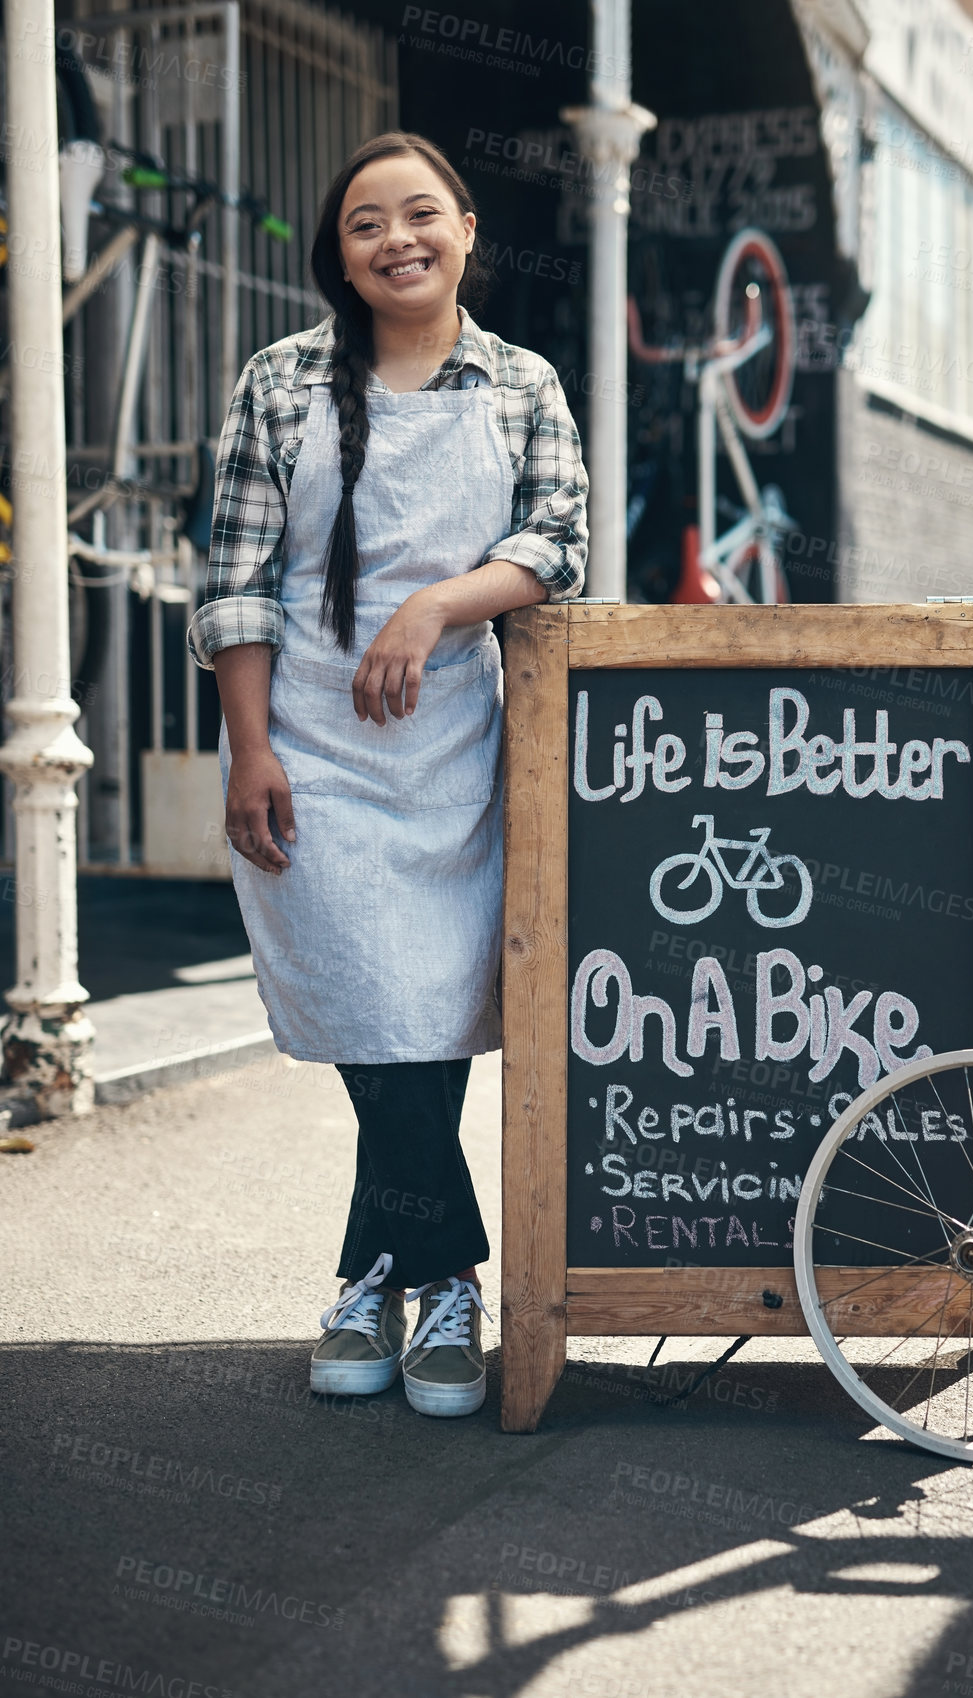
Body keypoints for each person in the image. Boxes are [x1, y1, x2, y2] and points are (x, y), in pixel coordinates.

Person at [187, 132, 588, 1417]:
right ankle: (450, 1282)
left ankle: (373, 1276)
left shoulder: (520, 380)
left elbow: (557, 540)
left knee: (426, 1017)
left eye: (422, 214)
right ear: (340, 254)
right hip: (309, 746)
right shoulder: (280, 381)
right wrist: (250, 748)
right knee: (378, 1013)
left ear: (467, 229)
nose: (396, 239)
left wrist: (431, 609)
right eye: (367, 223)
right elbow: (236, 583)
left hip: (462, 753)